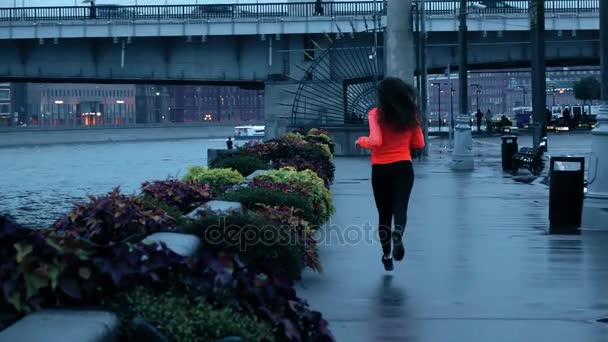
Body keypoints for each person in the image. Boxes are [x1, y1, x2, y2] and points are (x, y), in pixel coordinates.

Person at [355, 77, 425, 271]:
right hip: (403, 166)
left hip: (381, 169)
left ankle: (386, 256)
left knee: (384, 215)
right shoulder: (411, 115)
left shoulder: (375, 114)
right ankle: (399, 233)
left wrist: (361, 140)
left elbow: (375, 141)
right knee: (400, 208)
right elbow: (419, 144)